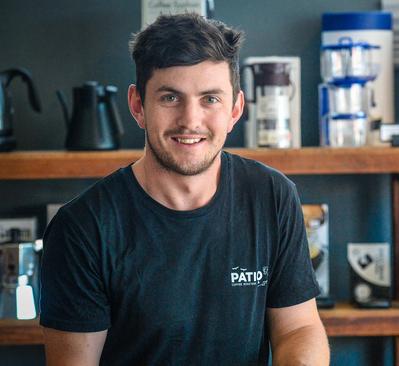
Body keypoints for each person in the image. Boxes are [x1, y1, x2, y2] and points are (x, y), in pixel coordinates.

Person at [39, 13, 329, 365]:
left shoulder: (272, 195)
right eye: (170, 98)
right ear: (137, 106)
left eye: (210, 99)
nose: (191, 120)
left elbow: (298, 328)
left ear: (235, 109)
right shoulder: (83, 227)